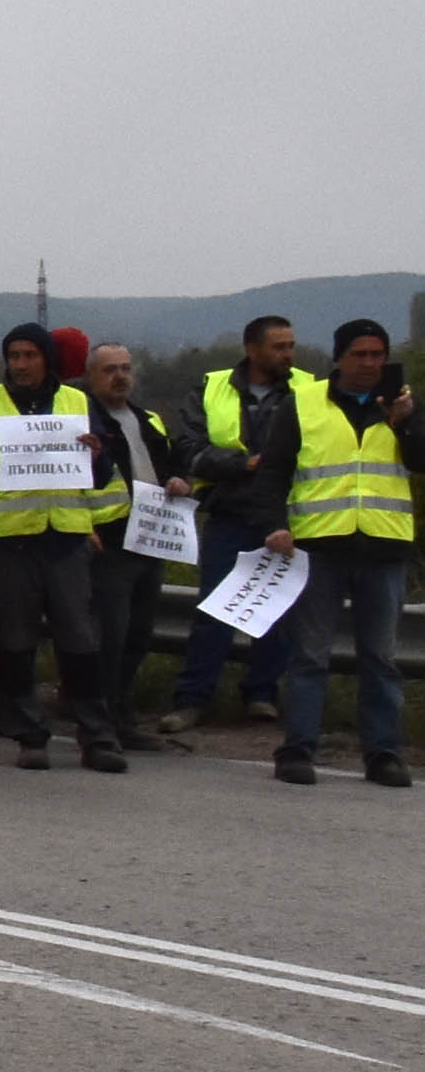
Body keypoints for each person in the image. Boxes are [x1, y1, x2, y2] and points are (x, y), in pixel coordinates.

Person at [0, 322, 119, 771]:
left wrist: (98, 456)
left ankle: (96, 736)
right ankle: (29, 734)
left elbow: (99, 476)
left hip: (66, 540)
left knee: (80, 642)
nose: (20, 365)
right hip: (8, 544)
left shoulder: (78, 403)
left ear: (46, 359)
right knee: (15, 643)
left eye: (29, 356)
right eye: (14, 356)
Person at [263, 318, 412, 787]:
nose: (369, 364)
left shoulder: (403, 405)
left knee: (381, 659)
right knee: (310, 654)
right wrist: (274, 525)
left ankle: (383, 754)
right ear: (339, 358)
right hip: (318, 546)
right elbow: (273, 472)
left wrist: (407, 424)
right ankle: (298, 749)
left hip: (383, 547)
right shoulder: (303, 404)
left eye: (377, 356)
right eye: (359, 355)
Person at [170, 314, 313, 732]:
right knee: (214, 611)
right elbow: (189, 449)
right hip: (230, 512)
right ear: (252, 350)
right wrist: (244, 463)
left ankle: (262, 695)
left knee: (278, 610)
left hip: (286, 516)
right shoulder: (212, 387)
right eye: (279, 347)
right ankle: (193, 698)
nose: (288, 354)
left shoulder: (308, 388)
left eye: (291, 345)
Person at [80, 342, 187, 748]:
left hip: (152, 538)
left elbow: (172, 464)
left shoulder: (149, 420)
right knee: (110, 636)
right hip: (110, 542)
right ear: (91, 376)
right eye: (109, 369)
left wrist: (178, 480)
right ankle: (100, 719)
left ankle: (120, 714)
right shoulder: (85, 421)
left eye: (125, 368)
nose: (120, 376)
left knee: (139, 634)